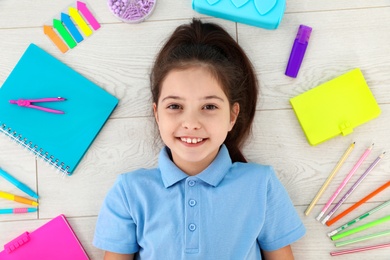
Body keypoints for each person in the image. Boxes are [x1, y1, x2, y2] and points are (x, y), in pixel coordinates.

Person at [93, 18, 305, 260]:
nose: (191, 122)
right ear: (157, 114)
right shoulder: (130, 192)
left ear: (232, 116)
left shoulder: (261, 184)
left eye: (209, 106)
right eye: (174, 106)